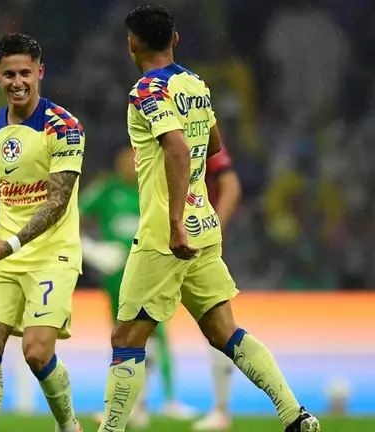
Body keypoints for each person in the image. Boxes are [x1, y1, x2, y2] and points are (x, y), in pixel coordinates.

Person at [96, 5, 320, 432]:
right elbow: (213, 144)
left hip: (166, 233)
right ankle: (295, 414)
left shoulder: (146, 91)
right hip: (205, 226)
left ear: (132, 44)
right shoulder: (195, 85)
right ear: (175, 40)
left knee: (126, 338)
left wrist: (174, 221)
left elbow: (178, 148)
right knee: (224, 332)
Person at [0, 32, 85, 432]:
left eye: (25, 73)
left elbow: (57, 202)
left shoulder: (64, 127)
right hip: (3, 257)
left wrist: (12, 243)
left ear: (40, 72)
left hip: (52, 256)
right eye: (9, 74)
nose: (17, 82)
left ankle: (68, 424)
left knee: (37, 353)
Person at [81, 146, 196, 428]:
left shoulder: (154, 189)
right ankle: (132, 404)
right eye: (125, 161)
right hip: (116, 277)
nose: (130, 166)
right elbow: (72, 217)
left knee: (156, 332)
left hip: (149, 271)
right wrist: (93, 250)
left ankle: (167, 400)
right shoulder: (106, 190)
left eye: (134, 161)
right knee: (123, 336)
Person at [193, 143, 242, 430]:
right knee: (142, 319)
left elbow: (231, 185)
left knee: (218, 325)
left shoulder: (200, 134)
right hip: (165, 241)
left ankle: (222, 410)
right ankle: (135, 407)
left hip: (199, 245)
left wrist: (214, 229)